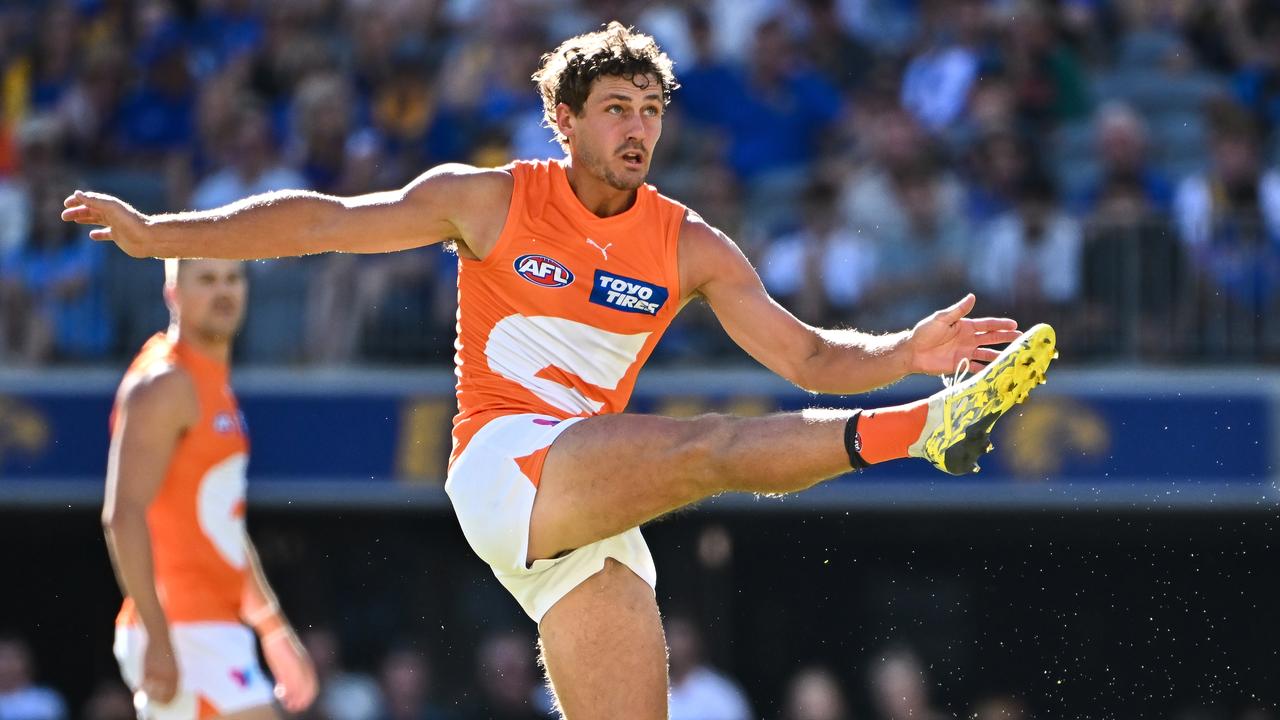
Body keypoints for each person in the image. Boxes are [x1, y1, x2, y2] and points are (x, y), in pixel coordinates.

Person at [65, 22, 1056, 718]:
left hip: (588, 505)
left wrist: (900, 350)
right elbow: (324, 219)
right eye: (615, 110)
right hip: (505, 467)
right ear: (566, 121)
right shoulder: (488, 199)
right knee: (707, 443)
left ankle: (924, 404)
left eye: (650, 111)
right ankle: (930, 428)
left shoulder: (688, 244)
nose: (637, 129)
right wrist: (161, 234)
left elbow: (806, 356)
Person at [100, 257, 317, 720]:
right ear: (172, 293)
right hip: (183, 630)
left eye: (233, 278)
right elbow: (123, 514)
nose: (224, 291)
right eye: (206, 279)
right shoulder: (165, 384)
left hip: (213, 628)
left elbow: (223, 526)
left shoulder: (213, 385)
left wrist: (272, 629)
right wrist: (158, 636)